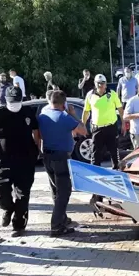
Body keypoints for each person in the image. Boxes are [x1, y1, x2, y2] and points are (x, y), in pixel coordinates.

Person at [0, 86, 40, 237]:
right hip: (4, 159)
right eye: (12, 101)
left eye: (17, 101)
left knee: (23, 194)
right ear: (5, 100)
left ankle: (19, 224)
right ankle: (7, 208)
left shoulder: (28, 112)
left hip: (26, 159)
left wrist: (38, 149)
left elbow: (36, 131)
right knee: (2, 190)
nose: (15, 104)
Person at [38, 90, 88, 236]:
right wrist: (73, 114)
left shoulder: (43, 115)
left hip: (47, 156)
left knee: (56, 190)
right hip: (61, 158)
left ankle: (62, 218)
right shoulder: (65, 117)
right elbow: (83, 130)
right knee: (64, 191)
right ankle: (56, 225)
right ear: (64, 103)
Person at [83, 74, 124, 169]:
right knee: (96, 152)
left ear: (106, 84)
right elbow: (86, 112)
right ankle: (95, 171)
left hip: (111, 127)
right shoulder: (90, 95)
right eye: (98, 83)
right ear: (95, 84)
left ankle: (116, 169)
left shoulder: (112, 94)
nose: (100, 85)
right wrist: (83, 125)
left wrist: (123, 123)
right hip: (97, 128)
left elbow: (120, 110)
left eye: (103, 83)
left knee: (114, 151)